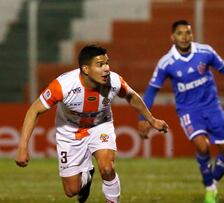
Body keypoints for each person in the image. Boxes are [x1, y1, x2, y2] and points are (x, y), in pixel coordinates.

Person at [15, 45, 168, 203]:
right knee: (71, 190)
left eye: (107, 63)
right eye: (100, 64)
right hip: (70, 132)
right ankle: (87, 177)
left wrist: (152, 119)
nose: (106, 69)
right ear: (86, 69)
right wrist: (22, 147)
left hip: (100, 126)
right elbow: (34, 110)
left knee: (107, 168)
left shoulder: (114, 81)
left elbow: (131, 96)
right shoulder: (63, 85)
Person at [138, 20, 224, 203]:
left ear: (192, 35)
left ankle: (212, 181)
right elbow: (152, 90)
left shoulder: (205, 52)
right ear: (172, 37)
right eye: (180, 33)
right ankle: (209, 189)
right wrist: (143, 117)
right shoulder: (166, 63)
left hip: (212, 107)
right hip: (188, 110)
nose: (184, 37)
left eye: (188, 33)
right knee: (202, 145)